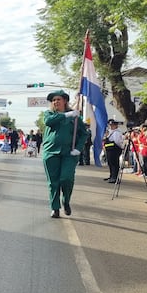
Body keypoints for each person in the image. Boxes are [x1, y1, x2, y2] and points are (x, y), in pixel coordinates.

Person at [41, 90, 88, 218]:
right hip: (51, 152)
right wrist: (66, 115)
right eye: (53, 100)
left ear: (65, 101)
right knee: (53, 182)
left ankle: (66, 201)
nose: (56, 102)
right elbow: (49, 122)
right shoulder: (49, 114)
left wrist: (78, 148)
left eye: (58, 99)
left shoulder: (75, 117)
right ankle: (55, 208)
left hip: (69, 153)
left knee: (66, 179)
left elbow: (84, 133)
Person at [103, 119, 124, 183]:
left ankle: (115, 177)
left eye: (112, 125)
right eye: (110, 125)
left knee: (114, 164)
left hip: (114, 150)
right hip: (109, 150)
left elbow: (117, 141)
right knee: (110, 163)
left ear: (115, 125)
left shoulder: (116, 132)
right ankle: (111, 175)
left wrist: (120, 147)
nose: (111, 126)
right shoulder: (110, 132)